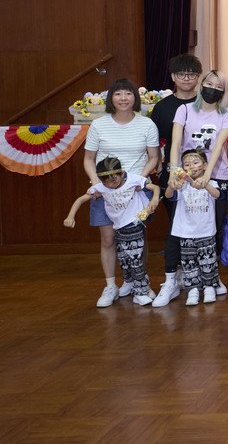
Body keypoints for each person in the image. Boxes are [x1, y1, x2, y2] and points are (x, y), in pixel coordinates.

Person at [156, 69, 228, 307]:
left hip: (216, 176)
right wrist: (173, 172)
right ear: (201, 85)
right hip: (185, 177)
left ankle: (211, 277)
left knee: (213, 229)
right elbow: (176, 142)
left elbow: (218, 146)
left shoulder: (227, 113)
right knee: (179, 229)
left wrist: (207, 177)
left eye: (218, 87)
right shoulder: (185, 109)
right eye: (209, 84)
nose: (213, 89)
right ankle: (176, 279)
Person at [82, 78, 160, 307]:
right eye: (118, 94)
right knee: (108, 239)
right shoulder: (99, 125)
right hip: (105, 192)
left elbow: (153, 157)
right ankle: (110, 285)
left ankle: (137, 281)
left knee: (137, 240)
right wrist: (97, 184)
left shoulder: (147, 124)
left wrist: (138, 180)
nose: (123, 98)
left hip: (135, 192)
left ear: (135, 97)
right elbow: (88, 159)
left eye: (128, 93)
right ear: (111, 98)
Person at [65, 156, 160, 306]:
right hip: (119, 228)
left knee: (136, 260)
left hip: (134, 224)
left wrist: (154, 200)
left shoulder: (133, 180)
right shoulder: (102, 187)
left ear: (121, 173)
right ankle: (130, 283)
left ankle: (141, 292)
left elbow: (155, 188)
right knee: (124, 260)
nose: (110, 184)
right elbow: (81, 199)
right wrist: (70, 216)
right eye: (106, 182)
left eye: (114, 180)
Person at [149, 53, 201, 300]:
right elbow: (155, 142)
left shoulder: (206, 103)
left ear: (198, 77)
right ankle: (177, 273)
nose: (187, 78)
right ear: (173, 77)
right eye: (182, 74)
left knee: (203, 223)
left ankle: (203, 272)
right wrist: (163, 169)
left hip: (202, 176)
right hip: (173, 175)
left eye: (191, 74)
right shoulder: (163, 107)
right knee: (176, 225)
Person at [164, 150, 221, 306]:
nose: (191, 167)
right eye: (187, 164)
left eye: (196, 163)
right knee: (189, 263)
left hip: (206, 231)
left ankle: (209, 287)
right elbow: (168, 196)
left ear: (205, 166)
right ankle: (193, 290)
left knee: (208, 261)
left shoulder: (211, 183)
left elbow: (217, 195)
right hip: (186, 232)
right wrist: (172, 184)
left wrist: (205, 184)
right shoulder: (182, 185)